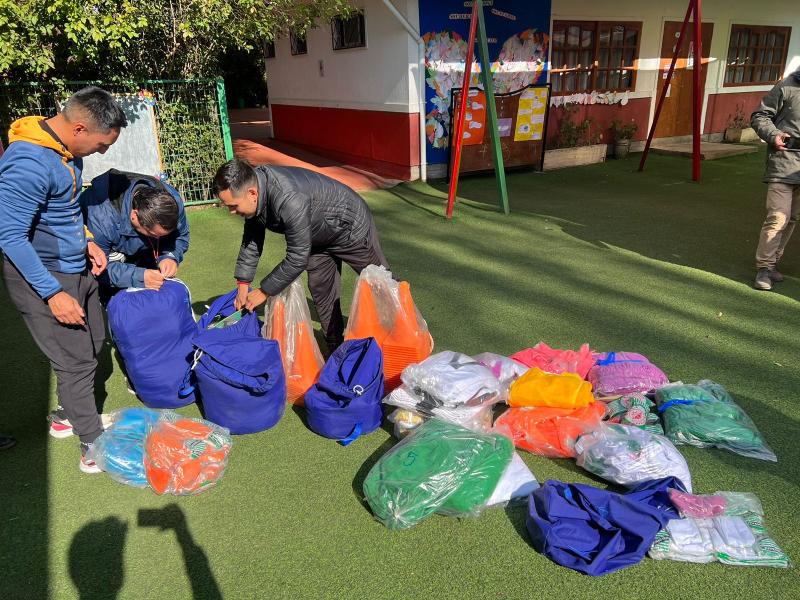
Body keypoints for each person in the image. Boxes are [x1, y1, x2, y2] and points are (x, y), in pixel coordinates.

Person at [0, 86, 126, 473]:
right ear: (80, 128)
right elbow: (9, 236)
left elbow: (65, 208)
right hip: (44, 276)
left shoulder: (68, 153)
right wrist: (52, 294)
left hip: (76, 268)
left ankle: (67, 414)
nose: (101, 153)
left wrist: (88, 240)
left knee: (93, 343)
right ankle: (91, 447)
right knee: (76, 362)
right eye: (102, 145)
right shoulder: (29, 162)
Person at [211, 159, 390, 352]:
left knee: (380, 282)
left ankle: (403, 333)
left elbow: (297, 258)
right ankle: (335, 346)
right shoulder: (255, 194)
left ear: (252, 193)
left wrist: (263, 291)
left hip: (350, 225)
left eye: (233, 206)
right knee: (321, 289)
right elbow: (252, 240)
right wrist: (243, 284)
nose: (231, 212)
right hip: (317, 235)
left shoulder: (288, 199)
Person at [82, 169, 190, 299]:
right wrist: (139, 277)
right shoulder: (102, 218)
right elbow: (98, 268)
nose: (160, 240)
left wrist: (170, 256)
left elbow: (180, 236)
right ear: (134, 215)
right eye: (154, 234)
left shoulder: (172, 203)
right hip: (105, 255)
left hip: (139, 251)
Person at [750, 70, 800, 290]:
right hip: (783, 162)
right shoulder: (787, 86)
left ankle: (773, 262)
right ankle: (764, 267)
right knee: (778, 217)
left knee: (792, 218)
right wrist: (773, 134)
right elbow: (760, 116)